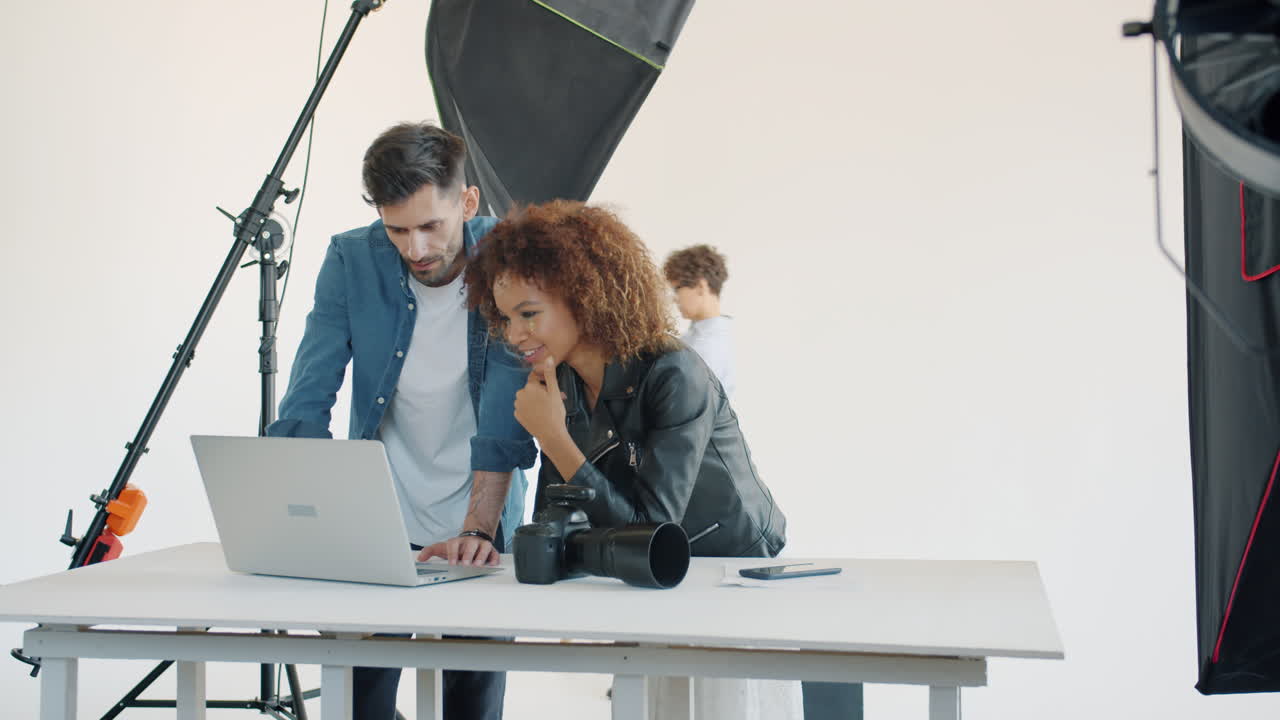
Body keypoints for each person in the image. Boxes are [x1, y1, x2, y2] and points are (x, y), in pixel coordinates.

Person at [463, 200, 796, 719]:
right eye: (506, 318)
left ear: (584, 297)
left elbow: (653, 532)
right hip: (648, 589)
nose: (513, 335)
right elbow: (558, 522)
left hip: (732, 579)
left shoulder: (674, 373)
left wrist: (554, 438)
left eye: (528, 314)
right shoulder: (560, 382)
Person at [267, 122, 534, 720]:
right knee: (360, 700)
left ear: (467, 201)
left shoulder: (508, 259)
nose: (415, 249)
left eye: (431, 226)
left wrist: (479, 531)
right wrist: (298, 522)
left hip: (480, 516)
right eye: (397, 230)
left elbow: (505, 408)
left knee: (471, 701)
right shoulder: (351, 259)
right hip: (380, 519)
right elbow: (310, 391)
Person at [663, 244, 736, 397]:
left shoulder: (707, 347)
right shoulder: (698, 336)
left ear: (701, 286)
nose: (675, 299)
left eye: (677, 289)